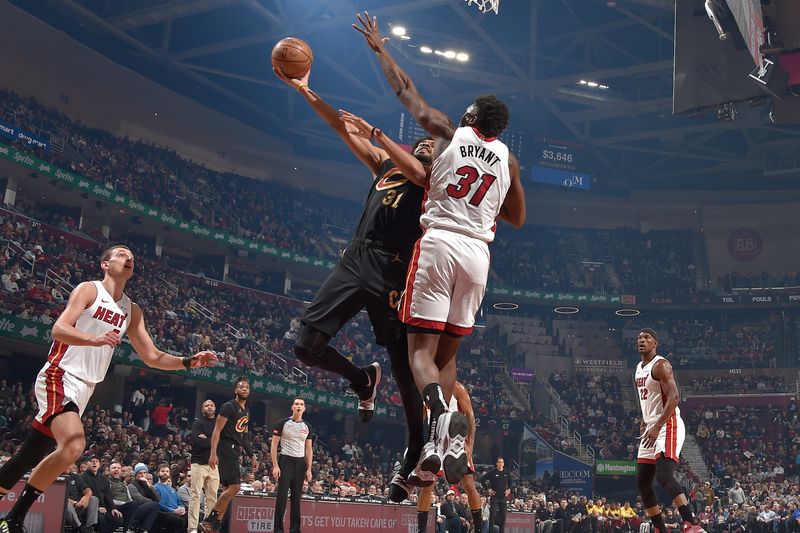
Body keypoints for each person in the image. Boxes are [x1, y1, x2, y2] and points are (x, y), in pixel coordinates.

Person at [352, 11, 526, 485]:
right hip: (479, 256)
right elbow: (517, 217)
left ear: (471, 117)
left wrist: (380, 49)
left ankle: (436, 415)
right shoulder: (508, 159)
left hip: (441, 242)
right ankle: (439, 441)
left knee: (419, 354)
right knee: (448, 358)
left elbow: (406, 92)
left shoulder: (450, 131)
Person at [272, 64, 430, 503]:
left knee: (406, 372)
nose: (425, 142)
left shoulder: (431, 180)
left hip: (394, 272)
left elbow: (418, 171)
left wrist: (379, 133)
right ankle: (360, 379)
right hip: (356, 257)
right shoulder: (384, 168)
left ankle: (414, 452)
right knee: (305, 346)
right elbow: (341, 127)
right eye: (422, 139)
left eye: (431, 144)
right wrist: (306, 90)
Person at [0, 245, 217, 533]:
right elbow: (59, 329)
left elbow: (152, 356)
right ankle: (13, 519)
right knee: (74, 445)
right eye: (121, 254)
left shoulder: (131, 309)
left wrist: (188, 361)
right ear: (105, 263)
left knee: (30, 454)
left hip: (85, 387)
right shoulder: (88, 290)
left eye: (132, 256)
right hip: (60, 374)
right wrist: (94, 340)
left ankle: (11, 517)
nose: (129, 258)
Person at [634, 328, 702, 533]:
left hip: (668, 424)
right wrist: (646, 421)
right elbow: (648, 398)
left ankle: (692, 524)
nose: (642, 340)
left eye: (647, 338)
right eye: (639, 338)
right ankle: (660, 529)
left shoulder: (661, 365)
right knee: (643, 481)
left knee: (663, 476)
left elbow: (674, 398)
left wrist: (656, 426)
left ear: (655, 343)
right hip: (652, 426)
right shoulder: (638, 367)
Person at [417, 381, 483, 533]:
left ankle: (478, 529)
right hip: (435, 441)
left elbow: (471, 416)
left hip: (456, 442)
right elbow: (417, 420)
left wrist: (470, 445)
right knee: (427, 486)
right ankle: (422, 530)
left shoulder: (457, 388)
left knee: (468, 485)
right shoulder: (426, 389)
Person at [199, 377, 259, 533]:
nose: (244, 389)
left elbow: (244, 437)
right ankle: (210, 519)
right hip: (225, 447)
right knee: (235, 487)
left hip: (235, 448)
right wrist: (213, 453)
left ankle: (214, 526)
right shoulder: (229, 406)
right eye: (241, 387)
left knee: (228, 489)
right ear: (235, 390)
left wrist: (252, 455)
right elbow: (216, 430)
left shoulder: (246, 411)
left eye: (246, 387)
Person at [271, 398, 314, 533]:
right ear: (292, 407)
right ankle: (278, 530)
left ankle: (295, 529)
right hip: (285, 461)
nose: (299, 406)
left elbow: (309, 449)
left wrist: (309, 468)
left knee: (296, 499)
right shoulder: (282, 423)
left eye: (301, 404)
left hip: (300, 463)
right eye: (296, 404)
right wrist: (275, 465)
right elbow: (274, 445)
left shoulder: (307, 426)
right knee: (282, 498)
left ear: (304, 408)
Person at [189, 399, 220, 531]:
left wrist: (207, 439)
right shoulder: (198, 423)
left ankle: (208, 527)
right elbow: (199, 443)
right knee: (195, 496)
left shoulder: (219, 424)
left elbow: (222, 443)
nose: (209, 407)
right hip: (198, 463)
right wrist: (215, 440)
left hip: (214, 466)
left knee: (212, 498)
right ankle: (192, 529)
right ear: (202, 409)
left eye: (211, 405)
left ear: (215, 408)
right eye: (206, 405)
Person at [481, 457, 513, 533]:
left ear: (503, 463)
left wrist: (509, 489)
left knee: (504, 517)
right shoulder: (492, 472)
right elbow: (483, 479)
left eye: (501, 462)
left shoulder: (506, 473)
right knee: (492, 516)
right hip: (494, 497)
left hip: (503, 498)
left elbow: (511, 483)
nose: (500, 464)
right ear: (496, 463)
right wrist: (488, 489)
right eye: (499, 462)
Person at [64, 463, 98, 533]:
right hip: (64, 507)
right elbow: (58, 497)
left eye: (70, 464)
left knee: (94, 499)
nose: (68, 466)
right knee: (65, 503)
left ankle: (88, 528)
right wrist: (74, 502)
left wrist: (86, 497)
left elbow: (87, 490)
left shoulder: (75, 476)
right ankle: (80, 528)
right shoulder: (55, 477)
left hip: (79, 506)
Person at [154, 463, 188, 532]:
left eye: (167, 471)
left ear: (169, 474)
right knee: (179, 521)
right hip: (165, 513)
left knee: (192, 517)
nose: (165, 473)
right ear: (158, 473)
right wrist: (173, 511)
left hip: (176, 512)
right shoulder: (155, 487)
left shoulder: (172, 489)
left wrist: (182, 509)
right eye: (162, 471)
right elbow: (159, 504)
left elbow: (179, 502)